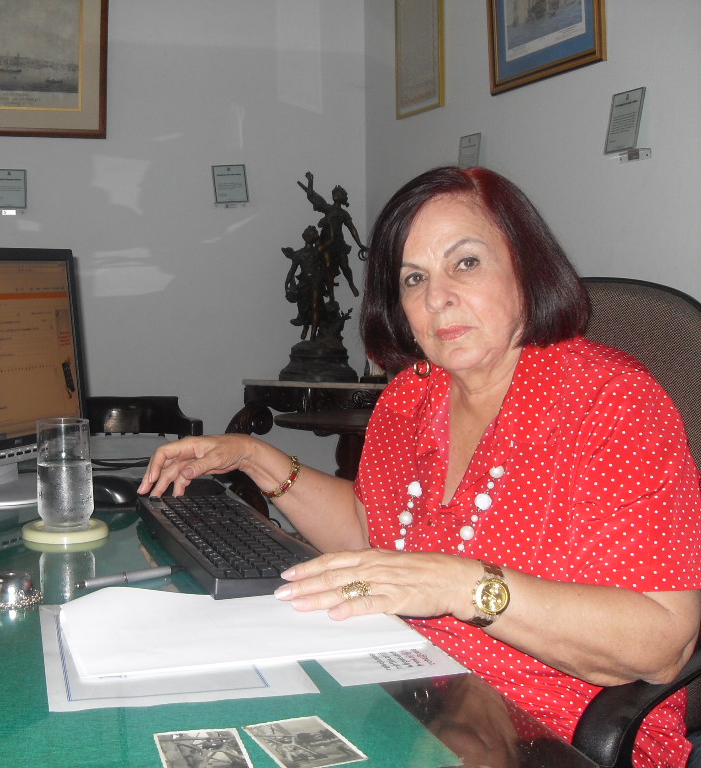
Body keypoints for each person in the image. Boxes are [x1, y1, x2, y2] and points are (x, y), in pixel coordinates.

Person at [139, 166, 701, 768]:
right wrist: (255, 458)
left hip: (549, 729)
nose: (437, 298)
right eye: (414, 278)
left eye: (466, 263)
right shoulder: (412, 395)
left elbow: (660, 644)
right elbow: (371, 533)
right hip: (409, 692)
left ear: (526, 266)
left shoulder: (610, 402)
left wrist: (461, 585)